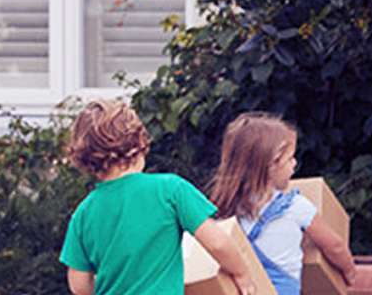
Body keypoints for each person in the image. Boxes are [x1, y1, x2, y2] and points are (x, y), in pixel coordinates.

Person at [60, 99, 257, 295]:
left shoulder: (83, 214)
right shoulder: (170, 190)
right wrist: (241, 274)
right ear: (139, 141)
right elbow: (217, 242)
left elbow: (79, 286)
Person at [206, 112, 358, 295]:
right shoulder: (295, 207)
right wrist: (348, 270)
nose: (294, 164)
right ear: (271, 165)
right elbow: (334, 246)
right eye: (289, 158)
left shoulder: (225, 208)